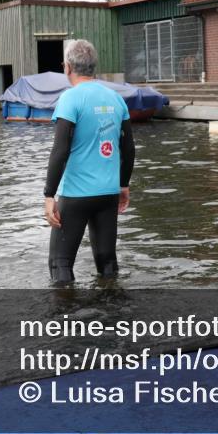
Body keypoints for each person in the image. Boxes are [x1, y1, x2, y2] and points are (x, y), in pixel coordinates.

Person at [43, 39, 136, 283]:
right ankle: (111, 305)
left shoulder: (70, 98)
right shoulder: (115, 98)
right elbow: (128, 148)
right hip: (108, 193)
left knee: (60, 263)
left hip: (76, 195)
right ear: (94, 67)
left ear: (67, 67)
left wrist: (49, 195)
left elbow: (60, 150)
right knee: (107, 262)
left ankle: (65, 308)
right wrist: (123, 185)